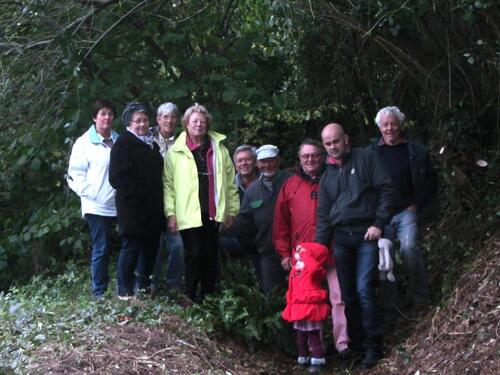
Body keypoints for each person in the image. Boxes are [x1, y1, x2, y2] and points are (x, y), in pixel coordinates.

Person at [316, 123, 398, 369]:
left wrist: (379, 223)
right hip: (341, 239)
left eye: (336, 141)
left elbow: (387, 188)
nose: (333, 147)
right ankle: (358, 347)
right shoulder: (327, 175)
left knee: (364, 290)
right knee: (348, 295)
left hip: (366, 235)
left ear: (346, 139)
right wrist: (318, 251)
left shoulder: (366, 158)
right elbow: (323, 216)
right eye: (328, 144)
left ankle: (374, 345)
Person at [272, 139, 350, 357]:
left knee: (339, 297)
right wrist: (284, 254)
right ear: (299, 159)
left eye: (315, 155)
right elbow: (280, 224)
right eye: (305, 156)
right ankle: (312, 350)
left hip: (332, 250)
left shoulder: (334, 178)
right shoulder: (291, 185)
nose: (310, 160)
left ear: (323, 156)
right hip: (303, 255)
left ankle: (342, 344)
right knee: (307, 302)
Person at [164, 103, 239, 302]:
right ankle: (189, 297)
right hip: (187, 213)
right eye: (194, 121)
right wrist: (170, 214)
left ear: (208, 124)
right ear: (186, 124)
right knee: (194, 254)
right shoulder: (176, 151)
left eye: (202, 121)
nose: (198, 124)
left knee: (210, 256)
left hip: (212, 211)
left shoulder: (219, 149)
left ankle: (208, 300)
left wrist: (232, 210)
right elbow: (168, 185)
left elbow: (230, 182)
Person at [370, 106, 438, 307]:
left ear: (400, 125)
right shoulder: (372, 152)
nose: (389, 128)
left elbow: (430, 181)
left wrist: (418, 204)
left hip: (405, 211)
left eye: (393, 124)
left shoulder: (415, 150)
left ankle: (420, 296)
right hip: (381, 216)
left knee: (409, 248)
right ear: (379, 128)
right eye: (385, 125)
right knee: (384, 258)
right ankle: (391, 306)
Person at [109, 102, 164, 299]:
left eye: (145, 120)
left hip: (153, 207)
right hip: (132, 207)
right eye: (137, 120)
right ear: (129, 123)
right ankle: (125, 291)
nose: (142, 124)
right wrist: (140, 191)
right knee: (131, 247)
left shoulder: (152, 144)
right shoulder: (123, 144)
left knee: (151, 248)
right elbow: (116, 178)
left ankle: (144, 288)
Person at [67, 99, 118, 298]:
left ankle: (127, 289)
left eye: (110, 114)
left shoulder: (119, 140)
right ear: (94, 117)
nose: (106, 117)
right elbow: (74, 174)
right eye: (102, 113)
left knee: (127, 246)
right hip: (96, 206)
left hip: (119, 204)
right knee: (102, 248)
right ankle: (99, 293)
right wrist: (92, 193)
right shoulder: (84, 143)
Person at [233, 144, 292, 293]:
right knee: (271, 292)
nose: (267, 165)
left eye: (271, 160)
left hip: (294, 247)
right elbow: (244, 221)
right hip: (266, 249)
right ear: (258, 164)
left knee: (298, 289)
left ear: (278, 161)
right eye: (263, 161)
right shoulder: (252, 190)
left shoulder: (292, 181)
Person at [146, 102, 185, 293]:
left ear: (177, 120)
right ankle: (152, 284)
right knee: (154, 245)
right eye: (165, 117)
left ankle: (173, 284)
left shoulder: (183, 142)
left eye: (173, 117)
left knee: (177, 246)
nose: (169, 120)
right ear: (158, 119)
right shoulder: (147, 139)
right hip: (152, 200)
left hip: (176, 202)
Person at [282, 242, 331, 373]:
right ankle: (302, 357)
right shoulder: (297, 269)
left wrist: (305, 254)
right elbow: (291, 287)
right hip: (298, 307)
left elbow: (314, 269)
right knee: (300, 336)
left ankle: (317, 359)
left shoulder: (314, 269)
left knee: (313, 335)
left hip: (310, 308)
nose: (298, 254)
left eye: (303, 252)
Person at [219, 145, 261, 277]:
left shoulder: (266, 183)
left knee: (265, 285)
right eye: (240, 160)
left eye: (248, 159)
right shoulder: (229, 186)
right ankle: (224, 282)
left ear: (255, 162)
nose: (244, 163)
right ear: (235, 165)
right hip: (237, 238)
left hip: (262, 241)